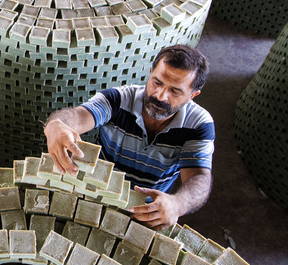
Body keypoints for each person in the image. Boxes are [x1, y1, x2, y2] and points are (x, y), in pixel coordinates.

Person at [43, 44, 213, 229]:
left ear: (192, 95)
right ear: (150, 72)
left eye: (175, 91)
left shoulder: (199, 124)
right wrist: (56, 124)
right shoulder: (118, 99)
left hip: (147, 210)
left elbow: (199, 177)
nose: (160, 95)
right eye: (157, 82)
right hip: (96, 193)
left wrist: (178, 204)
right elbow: (77, 115)